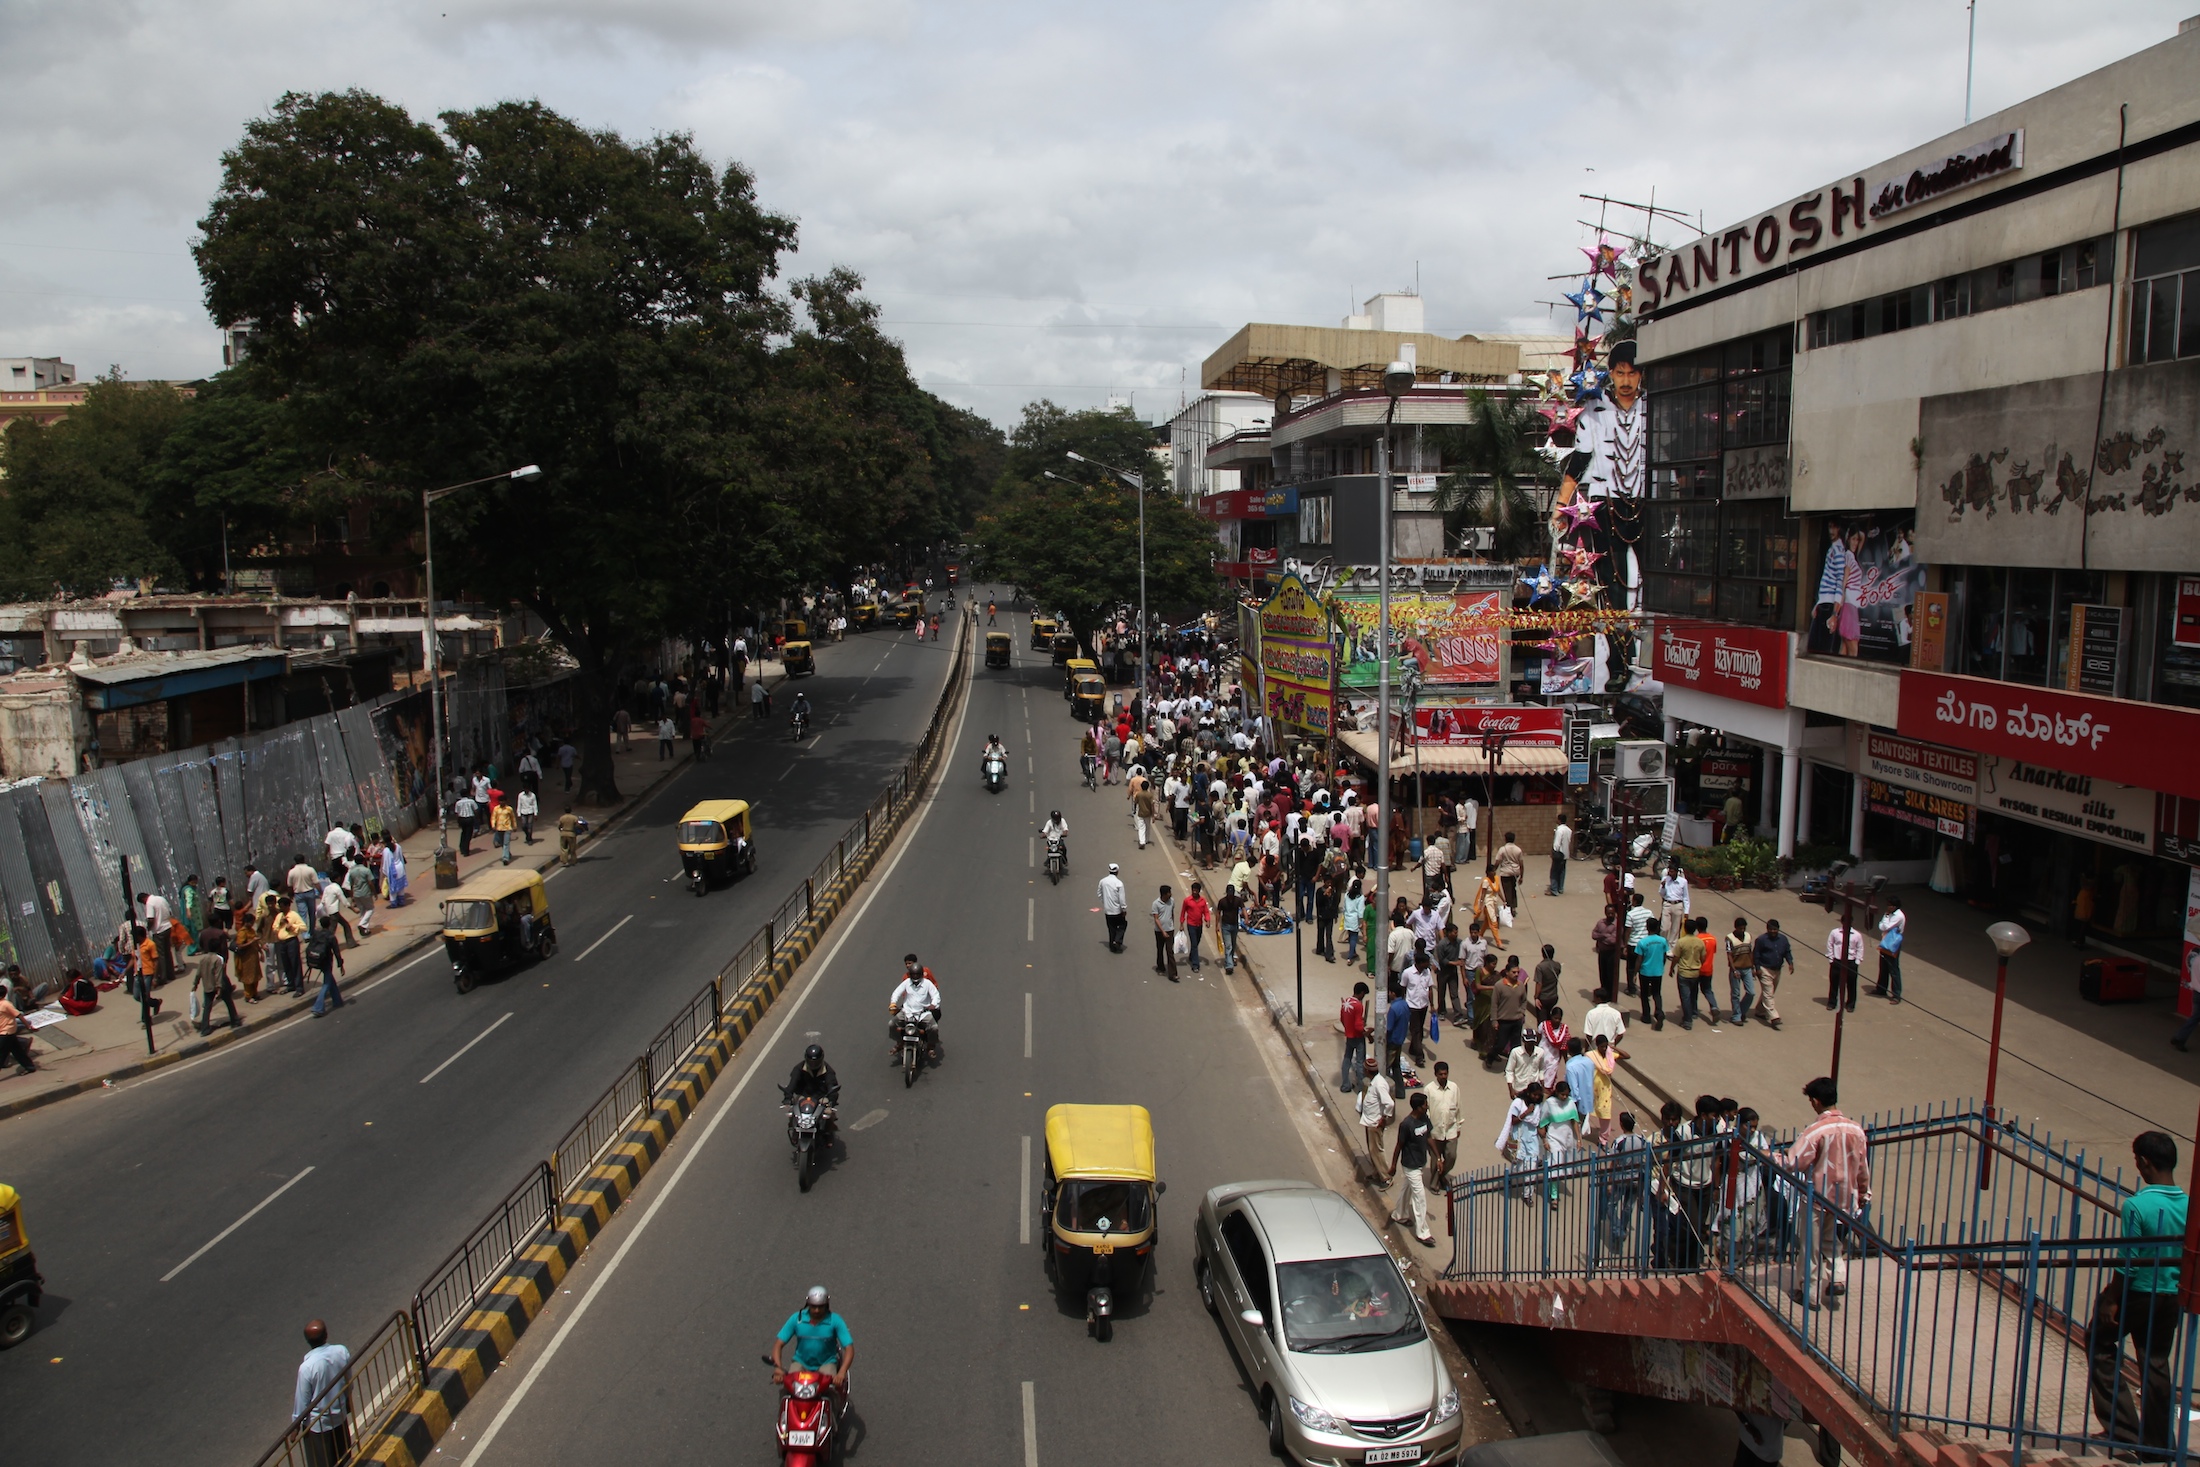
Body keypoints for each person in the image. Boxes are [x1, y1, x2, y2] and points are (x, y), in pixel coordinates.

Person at [2086, 1131, 2188, 1453]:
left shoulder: (2137, 1206)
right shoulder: (2190, 1205)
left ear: (2144, 1162)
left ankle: (2125, 1431)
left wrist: (2112, 1300)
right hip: (2171, 1294)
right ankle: (2157, 1444)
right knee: (2155, 1361)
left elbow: (2128, 1260)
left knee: (2098, 1341)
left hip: (2139, 1293)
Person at [1779, 1077, 1870, 1309]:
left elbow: (1793, 1162)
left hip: (1818, 1197)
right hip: (1844, 1198)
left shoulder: (1816, 1131)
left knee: (1810, 1246)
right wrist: (1863, 1193)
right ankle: (1838, 1277)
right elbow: (1862, 1166)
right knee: (1832, 1240)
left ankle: (1808, 1293)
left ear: (1816, 1101)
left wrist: (1769, 1155)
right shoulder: (1856, 1129)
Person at [772, 1285, 854, 1397]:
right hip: (801, 1363)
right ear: (808, 1304)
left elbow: (849, 1348)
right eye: (813, 1306)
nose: (816, 1310)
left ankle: (832, 1412)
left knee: (829, 1391)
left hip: (826, 1364)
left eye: (821, 1307)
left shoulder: (835, 1321)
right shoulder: (797, 1319)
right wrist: (778, 1369)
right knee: (789, 1390)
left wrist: (841, 1372)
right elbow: (778, 1344)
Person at [293, 1320, 351, 1467]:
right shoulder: (341, 1352)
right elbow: (348, 1382)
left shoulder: (307, 1368)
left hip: (318, 1427)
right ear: (326, 1335)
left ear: (307, 1341)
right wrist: (347, 1401)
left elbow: (302, 1401)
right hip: (339, 1416)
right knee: (344, 1458)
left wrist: (296, 1426)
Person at [1389, 1091, 1438, 1245]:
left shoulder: (1424, 1118)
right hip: (1410, 1166)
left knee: (1406, 1190)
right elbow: (1399, 1146)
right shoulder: (1406, 1125)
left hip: (1421, 1162)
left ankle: (1399, 1215)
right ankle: (1423, 1233)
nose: (1427, 1106)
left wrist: (1438, 1157)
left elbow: (1429, 1137)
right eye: (1425, 1104)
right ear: (1418, 1107)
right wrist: (1393, 1165)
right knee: (1420, 1197)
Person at [887, 958, 942, 1059]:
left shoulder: (927, 984)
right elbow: (896, 992)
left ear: (921, 974)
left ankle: (930, 1046)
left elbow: (936, 995)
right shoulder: (907, 982)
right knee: (891, 1024)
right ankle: (899, 1043)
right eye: (913, 974)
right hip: (907, 1012)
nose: (915, 976)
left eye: (917, 974)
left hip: (923, 1013)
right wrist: (893, 1003)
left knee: (934, 1028)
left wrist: (933, 1005)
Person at [1355, 1053, 1394, 1183]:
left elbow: (1389, 1103)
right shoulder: (1374, 1082)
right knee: (1372, 1150)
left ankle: (1386, 1177)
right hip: (1369, 1120)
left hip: (1375, 1123)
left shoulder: (1379, 1084)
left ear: (1367, 1071)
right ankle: (1377, 1172)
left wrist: (1384, 1118)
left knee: (1377, 1150)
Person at [190, 940, 241, 1036]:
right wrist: (219, 988)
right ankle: (235, 1021)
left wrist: (195, 985)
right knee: (229, 1002)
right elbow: (218, 974)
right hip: (219, 986)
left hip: (207, 986)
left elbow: (198, 974)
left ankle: (205, 1029)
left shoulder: (203, 959)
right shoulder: (218, 959)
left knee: (207, 1007)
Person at [1425, 1060, 1463, 1184]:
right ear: (1435, 1074)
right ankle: (1435, 1183)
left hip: (1451, 1129)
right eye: (1440, 1074)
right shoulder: (1429, 1089)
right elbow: (1427, 1111)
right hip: (1435, 1130)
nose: (1443, 1077)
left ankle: (1442, 1174)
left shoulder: (1454, 1088)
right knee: (1436, 1158)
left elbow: (1458, 1107)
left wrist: (1458, 1126)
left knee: (1451, 1156)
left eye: (1445, 1074)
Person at [1750, 919, 1790, 1029]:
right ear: (1767, 929)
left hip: (1777, 969)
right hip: (1764, 969)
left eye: (1775, 929)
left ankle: (1760, 1010)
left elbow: (1787, 952)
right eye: (1771, 929)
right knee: (1768, 993)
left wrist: (1790, 963)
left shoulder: (1783, 939)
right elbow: (1756, 954)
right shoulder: (1761, 940)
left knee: (1769, 991)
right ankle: (1774, 1017)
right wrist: (1757, 968)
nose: (1773, 931)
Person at [1671, 917, 1708, 1030]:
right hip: (1695, 973)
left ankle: (1687, 1020)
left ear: (1685, 929)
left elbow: (1676, 957)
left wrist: (1671, 968)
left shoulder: (1681, 942)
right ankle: (1693, 1012)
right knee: (1693, 994)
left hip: (1684, 973)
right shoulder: (1700, 942)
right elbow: (1703, 957)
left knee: (1685, 997)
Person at [1636, 920, 1670, 1031]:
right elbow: (1664, 956)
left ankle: (1646, 1016)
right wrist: (1661, 966)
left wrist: (1635, 972)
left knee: (1645, 994)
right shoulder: (1663, 941)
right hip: (1658, 971)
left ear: (1647, 927)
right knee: (1656, 993)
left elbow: (1639, 959)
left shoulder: (1642, 942)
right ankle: (1659, 1012)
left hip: (1645, 971)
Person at [1826, 915, 1865, 1013]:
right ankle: (1832, 1003)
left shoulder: (1857, 935)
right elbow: (1830, 944)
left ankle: (1850, 1004)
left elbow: (1860, 948)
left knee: (1851, 984)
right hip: (1837, 961)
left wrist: (1857, 962)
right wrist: (1831, 959)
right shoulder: (1835, 932)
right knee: (1834, 983)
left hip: (1850, 962)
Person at [1872, 898, 1906, 1003]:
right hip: (1885, 942)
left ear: (1895, 906)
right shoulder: (1889, 914)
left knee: (1893, 969)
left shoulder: (1898, 916)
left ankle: (1896, 994)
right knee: (1883, 967)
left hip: (1893, 944)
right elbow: (1881, 926)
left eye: (1890, 905)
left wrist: (1886, 917)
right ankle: (1881, 988)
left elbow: (1886, 926)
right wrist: (1886, 918)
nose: (1888, 907)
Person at [1724, 917, 1756, 1026]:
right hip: (1736, 969)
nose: (1742, 930)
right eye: (1740, 928)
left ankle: (1741, 1011)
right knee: (1735, 994)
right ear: (1736, 928)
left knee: (1751, 992)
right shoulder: (1730, 938)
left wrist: (1753, 967)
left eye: (1743, 928)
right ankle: (1736, 1016)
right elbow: (1729, 955)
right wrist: (1734, 970)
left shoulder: (1748, 936)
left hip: (1747, 968)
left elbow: (1750, 952)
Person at [1339, 981, 1369, 1093]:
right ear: (1361, 993)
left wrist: (1348, 1029)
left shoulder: (1346, 1001)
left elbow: (1342, 1019)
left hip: (1349, 1035)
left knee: (1347, 1058)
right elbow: (1358, 1025)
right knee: (1360, 1062)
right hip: (1358, 1037)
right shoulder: (1358, 1005)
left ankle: (1345, 1085)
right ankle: (1362, 1088)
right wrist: (1365, 1032)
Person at [0, 988, 35, 1076]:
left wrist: (28, 1026)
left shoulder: (6, 1004)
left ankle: (29, 1066)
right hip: (4, 1032)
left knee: (2, 1053)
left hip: (7, 1032)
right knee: (17, 1051)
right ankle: (29, 1067)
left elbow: (19, 1015)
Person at [1150, 884, 1180, 981]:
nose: (1171, 894)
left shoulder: (1172, 901)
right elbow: (1156, 919)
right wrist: (1163, 931)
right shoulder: (1156, 904)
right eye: (1169, 893)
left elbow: (1172, 913)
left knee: (1170, 951)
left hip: (1170, 930)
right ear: (1164, 894)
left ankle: (1173, 974)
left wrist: (1172, 925)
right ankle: (1160, 966)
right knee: (1160, 949)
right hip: (1159, 931)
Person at [1097, 863, 1128, 953]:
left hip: (1107, 910)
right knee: (1123, 925)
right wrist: (1124, 909)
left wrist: (1105, 902)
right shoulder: (1119, 883)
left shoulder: (1103, 881)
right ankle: (1117, 941)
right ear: (1117, 872)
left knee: (1111, 928)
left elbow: (1099, 894)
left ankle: (1112, 947)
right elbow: (1122, 899)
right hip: (1117, 910)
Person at [1180, 882, 1210, 972]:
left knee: (1196, 942)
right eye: (1193, 890)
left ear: (1199, 891)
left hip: (1199, 925)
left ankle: (1191, 955)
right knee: (1194, 944)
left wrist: (1207, 920)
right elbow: (1183, 912)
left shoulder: (1203, 901)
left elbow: (1206, 912)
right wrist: (1181, 923)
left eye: (1196, 890)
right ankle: (1195, 965)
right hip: (1191, 925)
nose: (1194, 892)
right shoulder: (1187, 901)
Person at [1658, 863, 1690, 942]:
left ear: (1676, 872)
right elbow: (1661, 894)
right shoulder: (1665, 879)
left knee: (1675, 929)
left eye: (1672, 872)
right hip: (1667, 904)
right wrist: (1663, 886)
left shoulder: (1683, 882)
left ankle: (1672, 949)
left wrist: (1686, 911)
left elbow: (1686, 897)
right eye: (1669, 871)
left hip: (1677, 905)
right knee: (1664, 928)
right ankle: (1663, 945)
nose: (1670, 873)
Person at [1493, 832, 1525, 912]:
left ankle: (1509, 907)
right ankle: (1513, 907)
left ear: (1505, 839)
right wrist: (1521, 876)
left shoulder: (1502, 849)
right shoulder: (1518, 850)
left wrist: (1493, 871)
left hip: (1505, 873)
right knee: (1513, 889)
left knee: (1507, 891)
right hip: (1515, 872)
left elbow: (1497, 862)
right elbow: (1521, 864)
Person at [1547, 816, 1572, 896]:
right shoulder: (1569, 830)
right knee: (1562, 871)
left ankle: (1554, 890)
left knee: (1554, 872)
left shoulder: (1559, 830)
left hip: (1559, 854)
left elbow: (1557, 844)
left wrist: (1553, 852)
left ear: (1559, 820)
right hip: (1565, 854)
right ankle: (1560, 888)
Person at [491, 796, 518, 865]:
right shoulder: (496, 809)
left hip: (507, 828)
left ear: (505, 801)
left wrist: (514, 826)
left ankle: (505, 858)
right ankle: (508, 854)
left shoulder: (509, 809)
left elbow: (513, 818)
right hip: (499, 828)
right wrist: (493, 825)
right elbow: (493, 818)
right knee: (502, 843)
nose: (501, 802)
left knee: (506, 843)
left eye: (503, 801)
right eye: (500, 801)